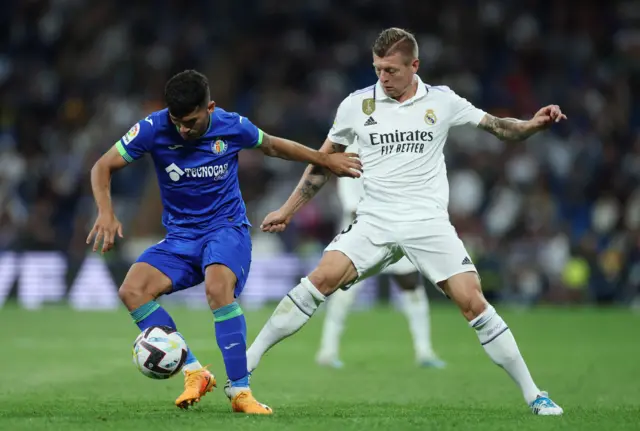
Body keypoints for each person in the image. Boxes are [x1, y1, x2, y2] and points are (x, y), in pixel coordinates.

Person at [246, 28, 566, 416]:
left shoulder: (443, 101)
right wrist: (287, 210)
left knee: (473, 302)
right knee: (318, 280)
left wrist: (532, 125)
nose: (383, 78)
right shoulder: (356, 105)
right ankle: (244, 367)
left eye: (392, 70)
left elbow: (499, 127)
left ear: (415, 66)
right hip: (374, 221)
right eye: (378, 69)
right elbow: (322, 164)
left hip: (428, 223)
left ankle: (535, 394)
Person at [86, 70, 361, 414]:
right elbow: (102, 166)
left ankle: (240, 391)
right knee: (132, 290)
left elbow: (275, 145)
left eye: (191, 121)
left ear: (210, 108)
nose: (183, 129)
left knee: (217, 288)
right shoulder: (153, 128)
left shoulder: (232, 125)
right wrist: (106, 212)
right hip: (181, 237)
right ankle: (194, 371)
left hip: (225, 229)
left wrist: (325, 159)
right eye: (177, 121)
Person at [316, 145, 445, 369]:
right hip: (361, 234)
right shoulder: (353, 155)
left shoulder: (394, 149)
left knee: (411, 284)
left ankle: (424, 351)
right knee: (344, 290)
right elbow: (353, 207)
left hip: (396, 228)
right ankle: (327, 351)